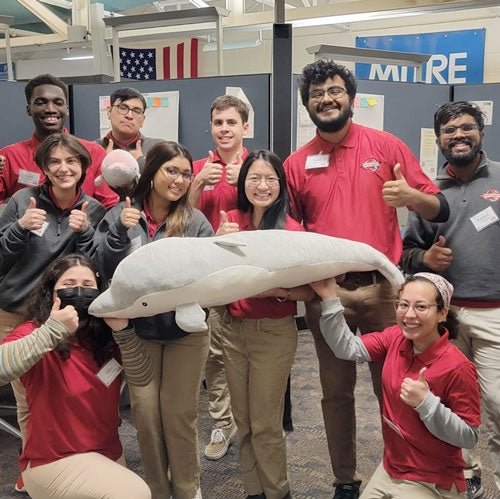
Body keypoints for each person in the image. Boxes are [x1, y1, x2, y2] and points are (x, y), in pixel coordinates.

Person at [284, 59, 450, 499]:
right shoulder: (297, 163)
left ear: (351, 98)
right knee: (334, 392)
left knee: (393, 387)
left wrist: (410, 196)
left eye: (334, 90)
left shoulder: (387, 146)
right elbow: (289, 225)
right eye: (317, 94)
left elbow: (437, 208)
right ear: (308, 105)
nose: (326, 99)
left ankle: (402, 468)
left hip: (384, 291)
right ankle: (344, 478)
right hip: (328, 292)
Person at [94, 141, 213, 499]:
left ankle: (187, 488)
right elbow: (100, 265)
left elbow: (208, 279)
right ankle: (157, 491)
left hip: (185, 335)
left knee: (178, 415)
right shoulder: (122, 213)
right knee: (145, 415)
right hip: (138, 333)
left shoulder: (195, 221)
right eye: (170, 170)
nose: (178, 180)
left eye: (185, 174)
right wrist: (118, 232)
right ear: (152, 171)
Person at [401, 100, 500, 498]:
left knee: (497, 401)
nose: (458, 135)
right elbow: (407, 252)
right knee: (449, 401)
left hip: (495, 313)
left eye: (466, 127)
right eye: (449, 130)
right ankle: (466, 469)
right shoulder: (427, 192)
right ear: (438, 138)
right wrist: (425, 258)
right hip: (446, 318)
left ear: (481, 133)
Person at [311, 272, 481, 499]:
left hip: (432, 480)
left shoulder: (457, 367)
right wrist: (330, 298)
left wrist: (427, 404)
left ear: (442, 313)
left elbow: (469, 437)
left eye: (421, 307)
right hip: (391, 469)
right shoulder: (395, 337)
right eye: (403, 305)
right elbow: (346, 348)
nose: (409, 315)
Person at [0, 253, 152, 498]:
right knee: (136, 494)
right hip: (54, 459)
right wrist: (52, 331)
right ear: (51, 292)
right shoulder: (34, 333)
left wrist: (124, 332)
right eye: (68, 285)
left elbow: (142, 377)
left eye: (88, 286)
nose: (79, 292)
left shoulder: (104, 338)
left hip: (106, 453)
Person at [216, 150, 315, 499]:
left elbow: (311, 289)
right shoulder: (230, 221)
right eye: (254, 178)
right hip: (232, 330)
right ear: (243, 183)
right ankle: (253, 490)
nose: (262, 186)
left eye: (270, 178)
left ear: (281, 184)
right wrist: (216, 244)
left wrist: (280, 290)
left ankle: (277, 492)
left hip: (272, 333)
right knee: (242, 423)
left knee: (265, 424)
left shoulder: (291, 230)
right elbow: (210, 277)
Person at [189, 95, 250, 461]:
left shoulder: (257, 166)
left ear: (245, 127)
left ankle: (249, 422)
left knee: (244, 354)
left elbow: (271, 209)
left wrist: (244, 181)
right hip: (206, 275)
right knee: (211, 355)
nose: (224, 129)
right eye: (218, 123)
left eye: (231, 122)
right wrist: (197, 184)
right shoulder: (197, 167)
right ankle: (221, 421)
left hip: (246, 274)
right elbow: (178, 220)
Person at [0, 73, 117, 208]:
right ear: (29, 109)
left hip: (83, 227)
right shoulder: (9, 157)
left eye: (58, 103)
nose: (50, 109)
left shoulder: (93, 152)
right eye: (40, 103)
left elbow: (109, 206)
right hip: (27, 227)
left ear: (66, 109)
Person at [95, 86, 165, 173]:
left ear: (143, 119)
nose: (129, 115)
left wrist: (141, 163)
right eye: (123, 108)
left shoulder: (159, 148)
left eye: (136, 111)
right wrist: (103, 163)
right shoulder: (93, 149)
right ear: (109, 112)